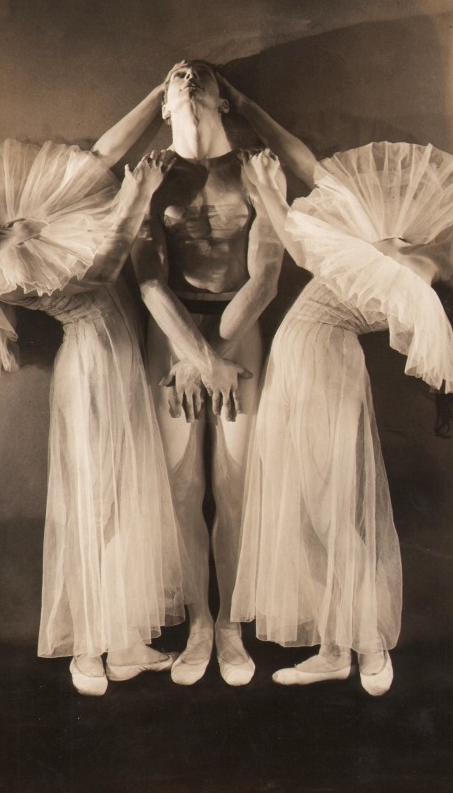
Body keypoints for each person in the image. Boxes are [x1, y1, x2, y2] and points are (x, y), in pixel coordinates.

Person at [225, 83, 453, 695]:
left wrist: (268, 195)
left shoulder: (415, 280)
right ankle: (333, 648)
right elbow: (318, 174)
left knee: (332, 508)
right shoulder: (407, 240)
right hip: (299, 354)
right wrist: (246, 110)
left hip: (322, 359)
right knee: (310, 501)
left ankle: (369, 645)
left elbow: (303, 249)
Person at [0, 84, 191, 697]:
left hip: (116, 357)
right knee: (95, 499)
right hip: (92, 364)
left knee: (119, 496)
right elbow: (100, 271)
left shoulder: (16, 221)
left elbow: (95, 160)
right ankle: (87, 653)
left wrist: (158, 93)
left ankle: (123, 644)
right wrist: (138, 195)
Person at [131, 61, 285, 686]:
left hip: (237, 328)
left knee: (239, 482)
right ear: (163, 107)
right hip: (172, 333)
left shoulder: (255, 169)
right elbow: (146, 280)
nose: (187, 77)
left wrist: (218, 353)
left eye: (198, 76)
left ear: (223, 97)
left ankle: (232, 627)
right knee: (180, 486)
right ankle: (199, 620)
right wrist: (196, 358)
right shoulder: (150, 178)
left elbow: (267, 275)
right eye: (174, 78)